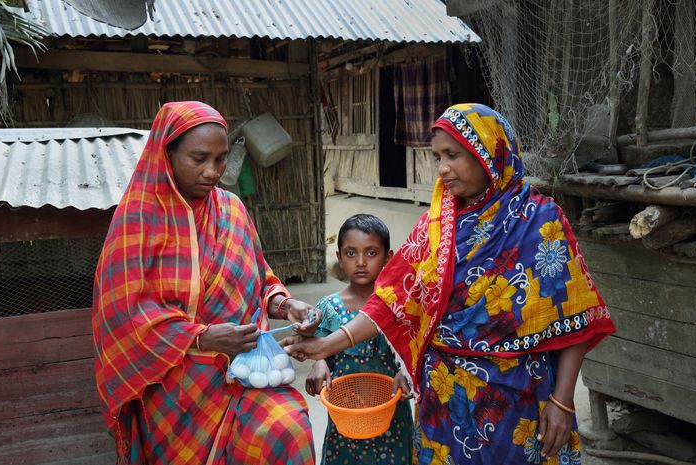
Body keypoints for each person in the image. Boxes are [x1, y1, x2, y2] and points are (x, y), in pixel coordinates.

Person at [285, 103, 616, 465]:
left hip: (516, 402)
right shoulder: (436, 227)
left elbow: (575, 318)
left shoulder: (539, 220)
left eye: (453, 155)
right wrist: (324, 347)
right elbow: (391, 300)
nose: (442, 169)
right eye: (438, 156)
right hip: (443, 401)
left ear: (488, 153)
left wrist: (562, 400)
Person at [92, 101, 319, 465]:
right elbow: (123, 315)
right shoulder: (137, 221)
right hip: (175, 386)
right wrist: (201, 338)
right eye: (198, 158)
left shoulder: (232, 210)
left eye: (220, 158)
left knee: (288, 430)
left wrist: (284, 304)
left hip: (247, 372)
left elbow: (260, 279)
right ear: (167, 152)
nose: (213, 171)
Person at [306, 214, 414, 465]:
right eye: (351, 253)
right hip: (346, 416)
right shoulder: (329, 308)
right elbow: (319, 346)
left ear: (388, 257)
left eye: (372, 253)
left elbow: (413, 348)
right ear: (339, 258)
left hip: (391, 414)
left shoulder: (398, 306)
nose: (361, 262)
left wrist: (405, 373)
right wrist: (319, 361)